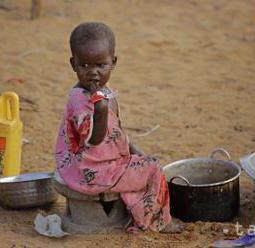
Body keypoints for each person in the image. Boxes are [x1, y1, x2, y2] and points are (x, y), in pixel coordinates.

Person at [55, 22, 182, 233]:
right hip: (89, 171)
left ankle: (138, 212)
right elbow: (94, 140)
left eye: (100, 65)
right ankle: (157, 222)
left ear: (113, 62)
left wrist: (132, 150)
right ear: (73, 64)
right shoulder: (81, 99)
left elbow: (117, 132)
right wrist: (101, 110)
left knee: (143, 161)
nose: (92, 72)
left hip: (105, 163)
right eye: (84, 65)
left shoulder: (105, 92)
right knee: (153, 168)